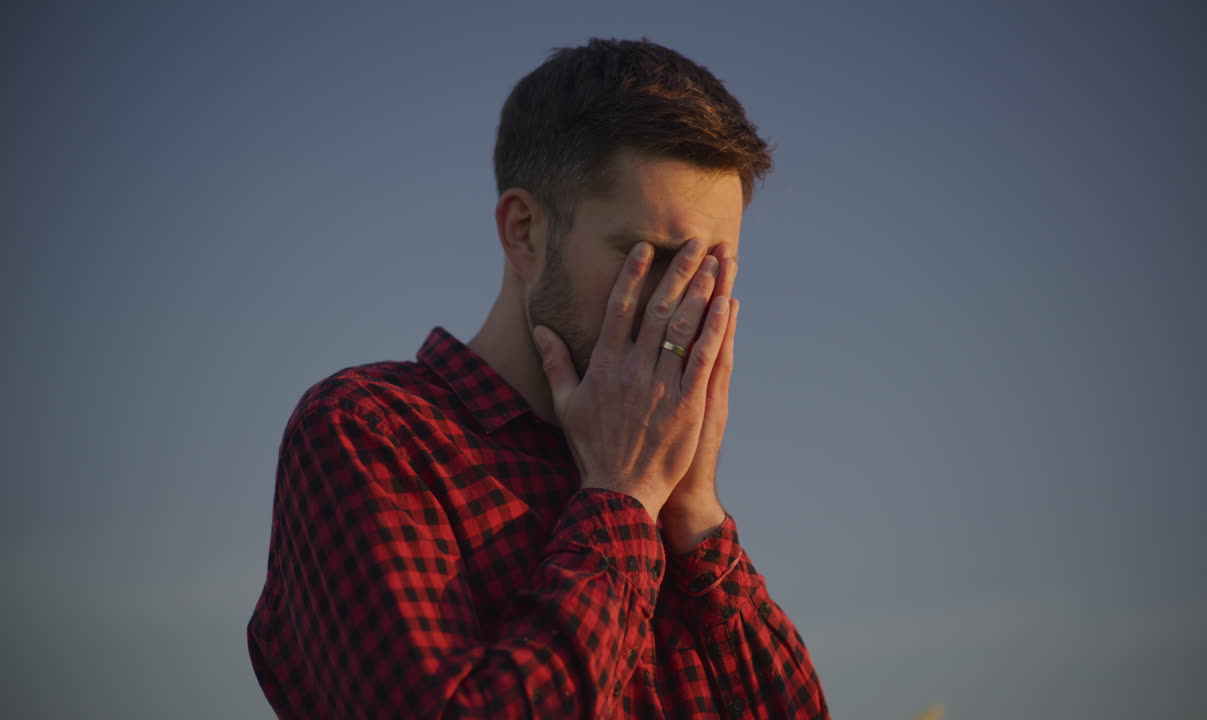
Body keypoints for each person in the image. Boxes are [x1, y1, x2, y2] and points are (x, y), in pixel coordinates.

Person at [247, 37, 829, 719]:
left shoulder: (679, 509)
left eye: (711, 273)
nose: (681, 306)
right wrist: (623, 496)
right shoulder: (371, 432)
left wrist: (694, 515)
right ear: (525, 232)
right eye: (654, 257)